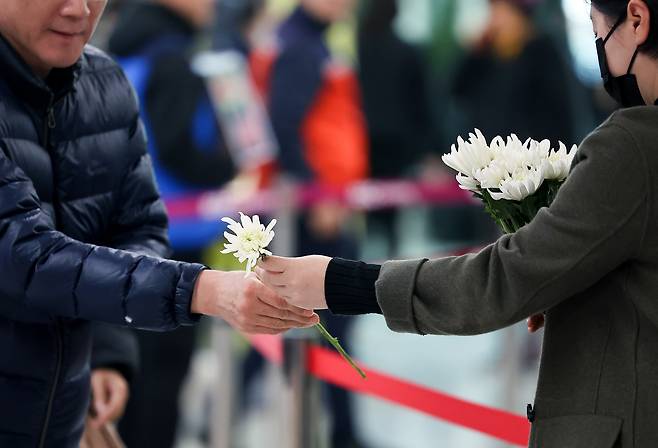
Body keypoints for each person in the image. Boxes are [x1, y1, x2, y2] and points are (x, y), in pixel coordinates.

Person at [258, 0, 658, 446]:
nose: (599, 45)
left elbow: (504, 279)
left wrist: (340, 282)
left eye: (597, 29)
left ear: (637, 21)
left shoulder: (633, 147)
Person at [0, 1, 318, 446]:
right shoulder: (169, 59)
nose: (79, 9)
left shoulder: (102, 79)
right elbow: (22, 254)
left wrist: (106, 348)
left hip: (63, 406)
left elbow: (136, 225)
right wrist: (200, 290)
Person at [107, 1, 240, 445]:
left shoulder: (126, 47)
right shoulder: (172, 57)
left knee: (132, 370)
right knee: (164, 374)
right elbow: (179, 148)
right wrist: (230, 166)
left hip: (128, 227)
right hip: (174, 236)